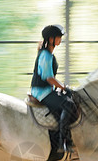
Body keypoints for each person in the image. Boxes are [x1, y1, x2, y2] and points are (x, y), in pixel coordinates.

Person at [30, 24, 76, 153]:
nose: (60, 39)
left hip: (47, 90)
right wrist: (63, 87)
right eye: (58, 37)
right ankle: (64, 141)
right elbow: (48, 77)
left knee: (69, 98)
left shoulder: (48, 54)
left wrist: (60, 89)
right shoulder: (46, 55)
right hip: (41, 92)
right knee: (68, 104)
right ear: (51, 39)